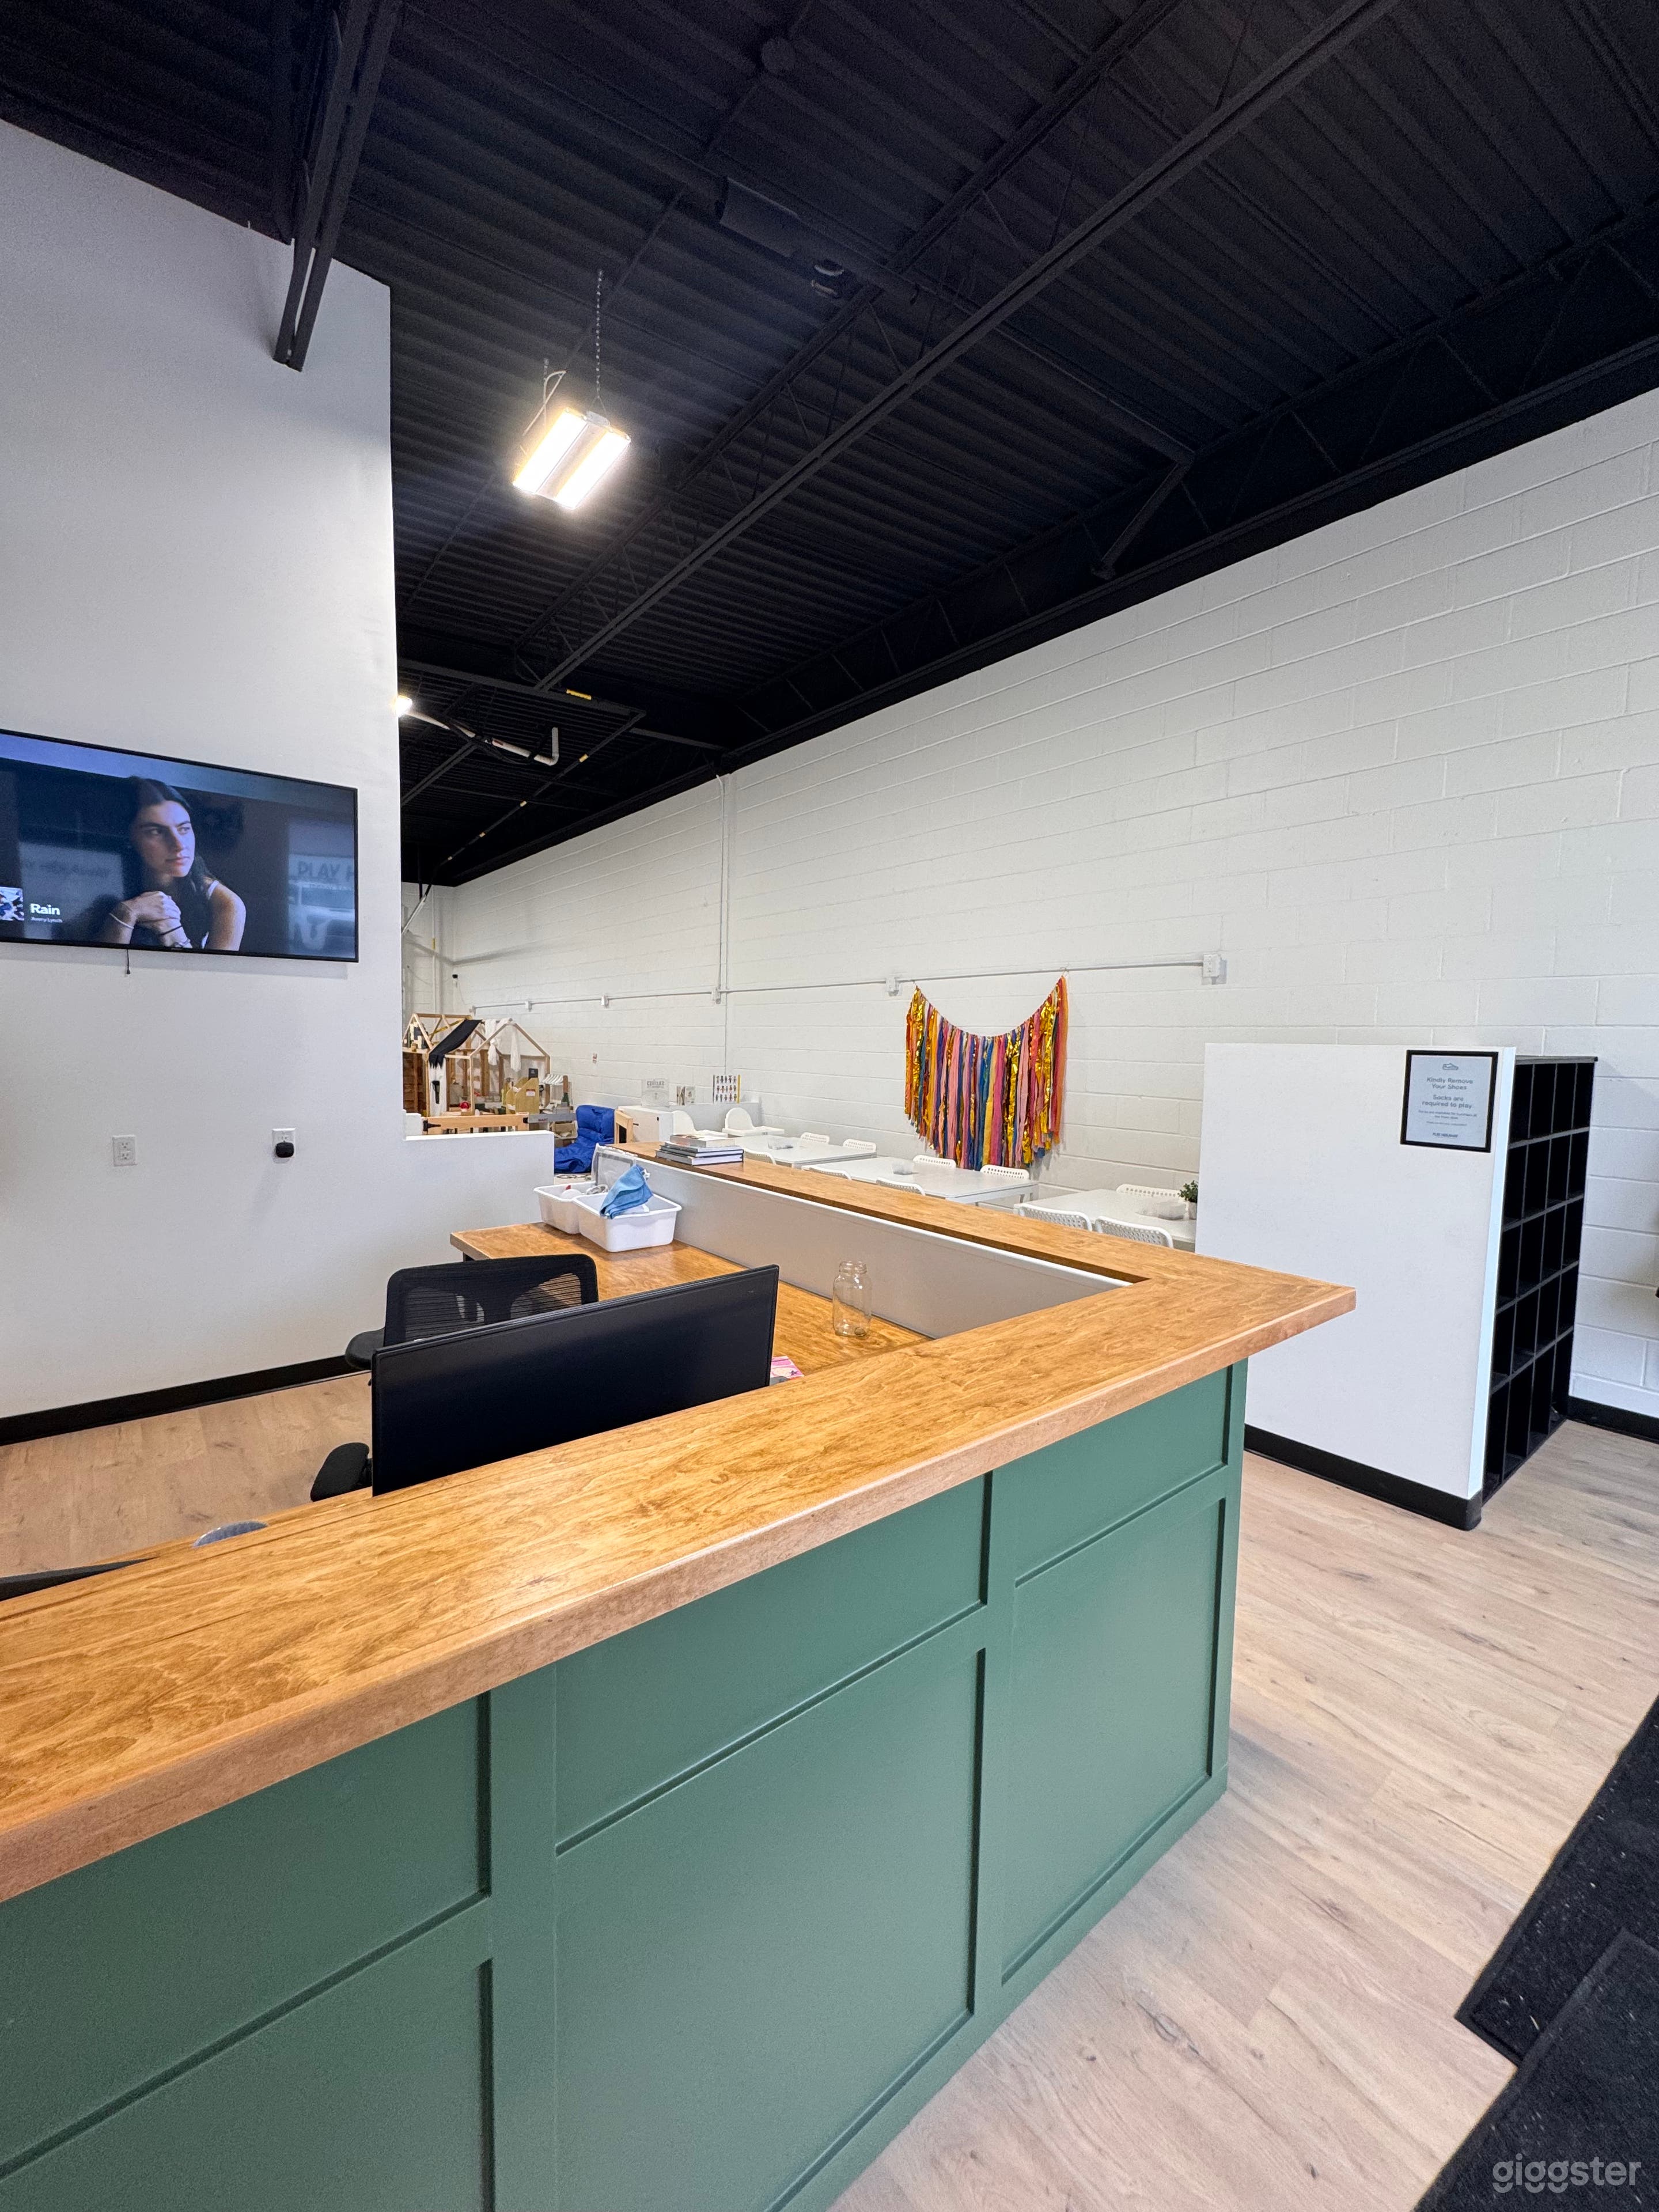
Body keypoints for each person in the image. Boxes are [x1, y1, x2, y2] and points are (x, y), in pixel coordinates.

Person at [95, 779, 246, 951]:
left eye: (184, 829)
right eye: (156, 832)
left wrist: (171, 929)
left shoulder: (227, 903)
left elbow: (212, 978)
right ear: (129, 839)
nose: (179, 844)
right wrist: (128, 913)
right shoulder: (104, 885)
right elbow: (98, 972)